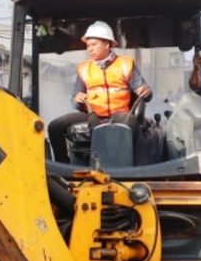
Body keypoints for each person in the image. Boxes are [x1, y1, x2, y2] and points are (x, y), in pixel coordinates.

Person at [46, 22, 154, 163]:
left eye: (94, 44)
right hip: (91, 114)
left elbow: (145, 93)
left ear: (107, 44)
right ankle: (65, 168)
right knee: (54, 127)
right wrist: (78, 99)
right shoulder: (83, 68)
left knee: (130, 124)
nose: (90, 49)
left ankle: (124, 165)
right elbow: (75, 98)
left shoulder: (126, 64)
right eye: (88, 45)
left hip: (119, 113)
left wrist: (146, 92)